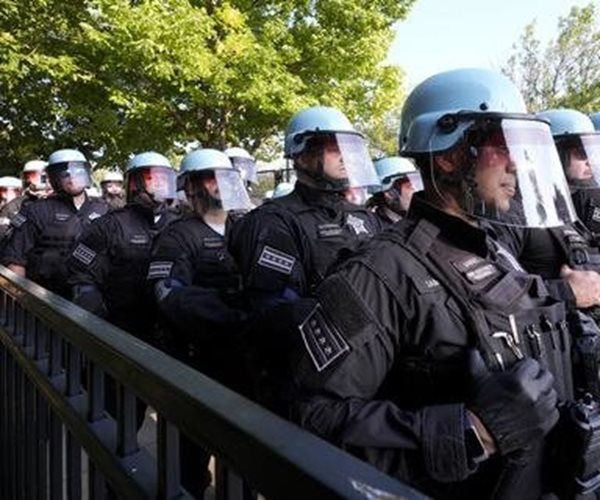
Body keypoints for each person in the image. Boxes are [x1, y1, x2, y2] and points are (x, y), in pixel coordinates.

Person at [284, 68, 582, 499]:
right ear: (447, 156)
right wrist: (469, 434)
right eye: (501, 146)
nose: (517, 161)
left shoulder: (494, 248)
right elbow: (313, 417)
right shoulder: (379, 273)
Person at [147, 148, 252, 498]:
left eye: (223, 176)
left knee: (244, 461)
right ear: (190, 186)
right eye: (209, 177)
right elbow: (168, 292)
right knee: (188, 462)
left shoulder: (247, 228)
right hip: (197, 361)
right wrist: (234, 316)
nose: (218, 184)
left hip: (245, 361)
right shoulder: (178, 235)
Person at [228, 105, 383, 313]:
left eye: (348, 148)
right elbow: (278, 310)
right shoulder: (273, 222)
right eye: (334, 148)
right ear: (302, 155)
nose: (345, 157)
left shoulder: (363, 216)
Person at [1, 149, 108, 297]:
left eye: (78, 172)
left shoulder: (104, 210)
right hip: (45, 298)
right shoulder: (35, 211)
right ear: (53, 178)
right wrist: (22, 301)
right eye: (64, 174)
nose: (72, 178)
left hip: (95, 299)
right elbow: (15, 260)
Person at [0, 160, 51, 239]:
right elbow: (4, 233)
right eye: (26, 176)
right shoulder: (18, 204)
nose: (28, 180)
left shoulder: (59, 200)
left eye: (32, 175)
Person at [367, 156, 423, 227]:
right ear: (390, 194)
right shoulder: (374, 230)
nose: (417, 191)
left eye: (418, 184)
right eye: (410, 187)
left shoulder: (418, 221)